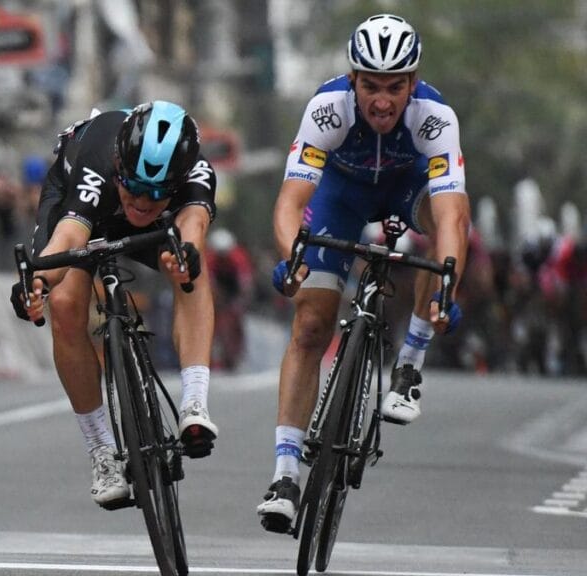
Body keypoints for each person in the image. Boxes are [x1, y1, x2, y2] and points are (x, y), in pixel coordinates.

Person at [255, 14, 470, 533]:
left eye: (394, 88)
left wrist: (446, 283)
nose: (381, 100)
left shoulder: (434, 116)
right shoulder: (326, 110)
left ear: (412, 84)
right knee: (310, 324)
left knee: (440, 245)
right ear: (353, 79)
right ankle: (285, 475)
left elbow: (452, 215)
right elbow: (290, 203)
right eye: (370, 85)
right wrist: (294, 257)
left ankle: (409, 368)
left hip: (406, 188)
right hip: (341, 197)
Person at [9, 101, 220, 508]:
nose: (142, 202)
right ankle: (101, 450)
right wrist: (35, 286)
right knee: (67, 302)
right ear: (119, 166)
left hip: (141, 217)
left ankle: (194, 401)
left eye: (158, 194)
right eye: (135, 187)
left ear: (176, 183)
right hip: (83, 205)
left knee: (191, 272)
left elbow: (191, 228)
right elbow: (68, 237)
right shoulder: (99, 160)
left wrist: (186, 255)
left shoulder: (196, 172)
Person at [206, 227, 254, 371]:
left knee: (236, 316)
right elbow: (209, 281)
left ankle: (238, 348)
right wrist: (214, 299)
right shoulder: (210, 258)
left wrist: (242, 300)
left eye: (225, 254)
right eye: (219, 254)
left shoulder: (238, 256)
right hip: (219, 286)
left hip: (234, 286)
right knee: (214, 318)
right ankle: (215, 352)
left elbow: (245, 281)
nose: (222, 257)